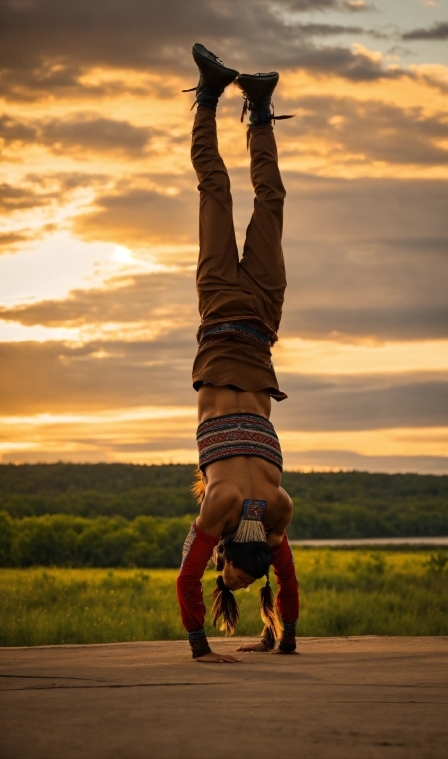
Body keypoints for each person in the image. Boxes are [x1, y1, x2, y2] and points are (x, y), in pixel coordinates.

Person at [176, 44, 299, 663]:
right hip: (253, 314)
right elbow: (185, 578)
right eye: (227, 560)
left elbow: (287, 577)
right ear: (229, 548)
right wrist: (199, 647)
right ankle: (253, 105)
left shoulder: (278, 510)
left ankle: (210, 96)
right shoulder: (232, 507)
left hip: (229, 309)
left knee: (223, 194)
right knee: (233, 195)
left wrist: (287, 635)